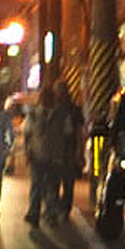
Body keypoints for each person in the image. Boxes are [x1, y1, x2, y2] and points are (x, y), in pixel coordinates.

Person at [24, 84, 60, 225]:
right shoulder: (33, 114)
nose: (44, 100)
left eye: (47, 97)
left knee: (52, 186)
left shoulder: (58, 115)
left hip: (54, 155)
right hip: (37, 155)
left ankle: (51, 213)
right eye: (42, 97)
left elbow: (67, 133)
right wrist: (28, 152)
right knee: (36, 185)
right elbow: (27, 134)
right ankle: (34, 213)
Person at [48, 85, 85, 219]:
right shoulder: (54, 110)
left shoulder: (72, 110)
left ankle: (63, 209)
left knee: (66, 182)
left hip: (68, 150)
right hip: (59, 150)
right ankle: (58, 208)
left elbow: (79, 132)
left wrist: (79, 151)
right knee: (57, 182)